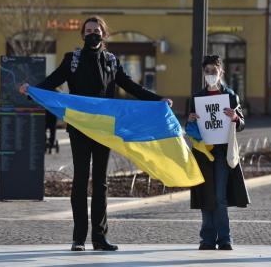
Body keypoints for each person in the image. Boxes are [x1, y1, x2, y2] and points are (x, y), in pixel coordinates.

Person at [20, 16, 172, 251]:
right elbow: (53, 81)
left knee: (101, 183)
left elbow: (131, 86)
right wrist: (32, 91)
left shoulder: (112, 61)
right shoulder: (72, 60)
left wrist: (158, 100)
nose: (93, 33)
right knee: (80, 181)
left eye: (97, 30)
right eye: (89, 30)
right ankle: (78, 238)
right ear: (83, 35)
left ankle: (100, 238)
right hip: (80, 129)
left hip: (105, 130)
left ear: (104, 34)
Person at [186, 55, 250, 251]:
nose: (211, 75)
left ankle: (224, 239)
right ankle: (206, 239)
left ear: (221, 72)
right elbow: (188, 127)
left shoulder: (231, 96)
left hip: (222, 152)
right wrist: (190, 120)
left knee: (220, 196)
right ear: (203, 74)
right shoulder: (196, 98)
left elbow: (241, 124)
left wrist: (235, 119)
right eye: (207, 72)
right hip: (203, 153)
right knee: (207, 195)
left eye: (214, 71)